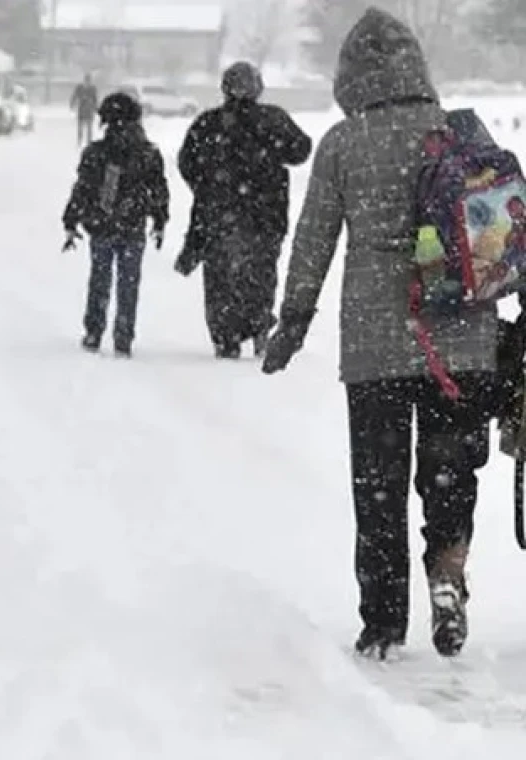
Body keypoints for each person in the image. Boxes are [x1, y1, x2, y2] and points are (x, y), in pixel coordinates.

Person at [261, 8, 499, 660]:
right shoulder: (456, 135)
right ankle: (448, 573)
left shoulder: (344, 143)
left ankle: (383, 623)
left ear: (350, 75)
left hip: (377, 346)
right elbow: (502, 233)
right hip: (465, 340)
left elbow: (313, 241)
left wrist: (293, 321)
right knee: (450, 474)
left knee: (380, 486)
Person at [176, 61, 312, 359]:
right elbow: (301, 150)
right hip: (267, 215)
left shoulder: (208, 124)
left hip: (218, 216)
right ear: (257, 88)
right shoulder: (273, 120)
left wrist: (207, 186)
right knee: (261, 273)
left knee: (220, 278)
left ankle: (226, 336)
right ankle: (259, 323)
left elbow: (186, 162)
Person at [62, 92, 169, 357]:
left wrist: (71, 219)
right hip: (133, 226)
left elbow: (83, 189)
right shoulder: (148, 153)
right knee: (128, 282)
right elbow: (159, 189)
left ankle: (94, 331)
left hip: (102, 225)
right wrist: (159, 219)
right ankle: (123, 335)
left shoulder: (96, 153)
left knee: (100, 278)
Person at [70, 73, 100, 146]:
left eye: (89, 80)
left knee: (89, 128)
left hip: (89, 110)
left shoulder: (93, 88)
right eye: (87, 80)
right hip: (82, 110)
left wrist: (96, 108)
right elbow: (74, 96)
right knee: (80, 127)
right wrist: (72, 104)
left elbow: (95, 99)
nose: (88, 82)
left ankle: (88, 142)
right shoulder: (79, 87)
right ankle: (79, 141)